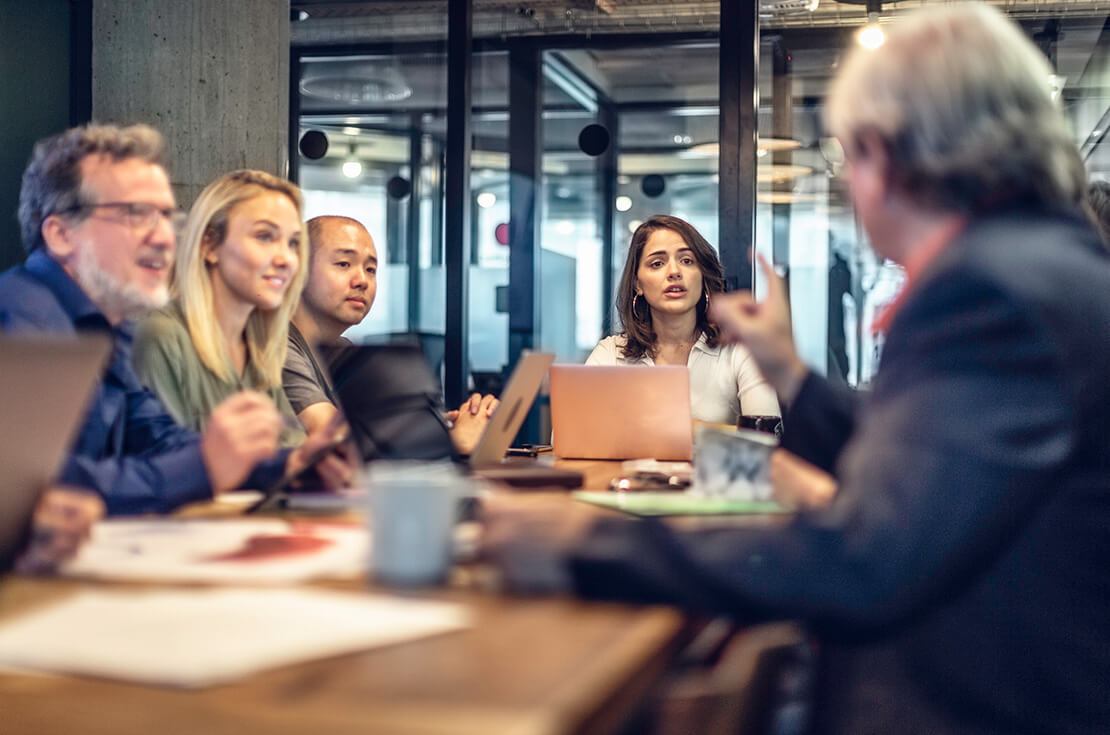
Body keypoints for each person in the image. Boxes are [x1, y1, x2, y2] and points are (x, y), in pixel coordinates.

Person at [482, 5, 1110, 734]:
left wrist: (586, 544)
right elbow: (933, 459)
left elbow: (867, 558)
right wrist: (799, 380)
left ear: (885, 153)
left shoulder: (992, 291)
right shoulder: (1041, 265)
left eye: (846, 157)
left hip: (976, 701)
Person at [0, 124, 343, 515]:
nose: (165, 237)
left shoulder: (112, 327)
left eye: (166, 216)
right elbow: (37, 485)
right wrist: (206, 464)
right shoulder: (22, 320)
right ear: (61, 235)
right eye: (136, 214)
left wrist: (287, 464)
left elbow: (157, 440)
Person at [282, 215, 496, 453]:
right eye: (343, 264)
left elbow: (376, 433)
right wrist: (453, 443)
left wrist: (438, 429)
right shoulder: (278, 347)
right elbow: (339, 440)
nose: (362, 280)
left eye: (371, 269)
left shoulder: (341, 350)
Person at [133, 170, 308, 448]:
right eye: (265, 236)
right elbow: (164, 467)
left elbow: (293, 450)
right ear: (209, 245)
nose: (286, 258)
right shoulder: (161, 337)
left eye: (293, 243)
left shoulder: (259, 351)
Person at [586, 215, 778, 425]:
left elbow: (767, 440)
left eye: (687, 261)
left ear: (703, 275)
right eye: (657, 263)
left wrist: (683, 427)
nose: (674, 272)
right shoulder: (611, 353)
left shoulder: (739, 351)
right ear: (637, 284)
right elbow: (567, 436)